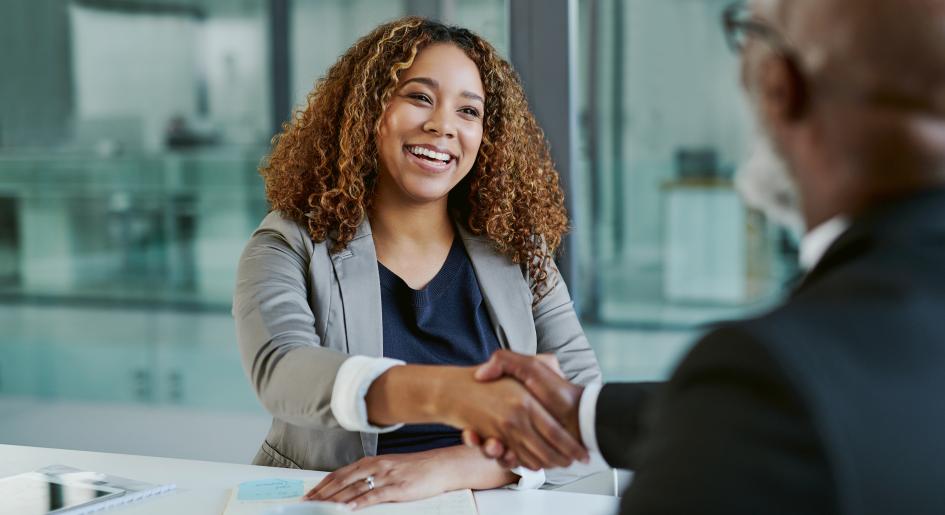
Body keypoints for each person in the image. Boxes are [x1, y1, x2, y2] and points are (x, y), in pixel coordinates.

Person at [454, 0, 945, 513]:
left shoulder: (774, 375)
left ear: (779, 87)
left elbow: (761, 410)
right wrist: (585, 415)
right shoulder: (832, 364)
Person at [232, 17, 602, 510]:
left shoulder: (517, 250)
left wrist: (444, 468)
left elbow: (585, 417)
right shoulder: (290, 242)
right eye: (419, 97)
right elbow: (282, 371)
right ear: (369, 109)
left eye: (468, 111)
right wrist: (451, 394)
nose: (442, 125)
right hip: (337, 500)